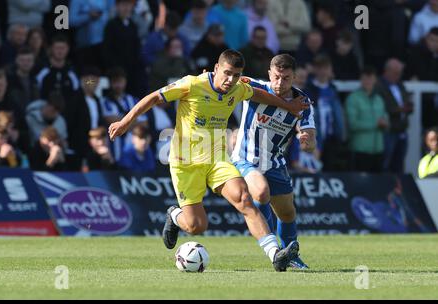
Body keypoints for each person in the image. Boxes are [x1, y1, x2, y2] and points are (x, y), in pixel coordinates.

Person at [108, 49, 310, 271]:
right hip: (186, 163)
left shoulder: (238, 88)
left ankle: (275, 255)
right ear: (216, 69)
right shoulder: (192, 84)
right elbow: (154, 97)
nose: (231, 80)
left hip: (217, 159)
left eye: (236, 75)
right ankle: (175, 215)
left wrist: (288, 106)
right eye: (227, 73)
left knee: (244, 199)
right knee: (196, 226)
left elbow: (259, 94)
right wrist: (125, 122)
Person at [231, 54, 315, 269]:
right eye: (276, 77)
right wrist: (208, 80)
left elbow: (311, 140)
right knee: (260, 192)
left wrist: (306, 140)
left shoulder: (303, 103)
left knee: (287, 212)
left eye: (286, 78)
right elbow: (226, 79)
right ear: (269, 74)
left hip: (275, 163)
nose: (280, 83)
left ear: (294, 77)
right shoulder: (254, 86)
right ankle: (273, 248)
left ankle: (291, 254)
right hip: (245, 158)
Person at [345, 66, 388, 173]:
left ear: (375, 80)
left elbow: (386, 120)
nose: (368, 81)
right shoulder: (353, 98)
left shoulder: (379, 99)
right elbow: (352, 124)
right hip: (360, 150)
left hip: (378, 150)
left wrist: (385, 124)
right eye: (365, 78)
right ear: (361, 79)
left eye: (370, 78)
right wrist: (376, 124)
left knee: (377, 184)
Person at [375, 58, 412, 173]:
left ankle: (399, 188)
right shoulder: (379, 85)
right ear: (387, 71)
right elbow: (381, 107)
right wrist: (398, 109)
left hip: (402, 129)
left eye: (400, 73)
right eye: (396, 73)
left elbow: (406, 100)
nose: (398, 76)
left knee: (399, 164)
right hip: (389, 130)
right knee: (386, 163)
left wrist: (408, 107)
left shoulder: (400, 84)